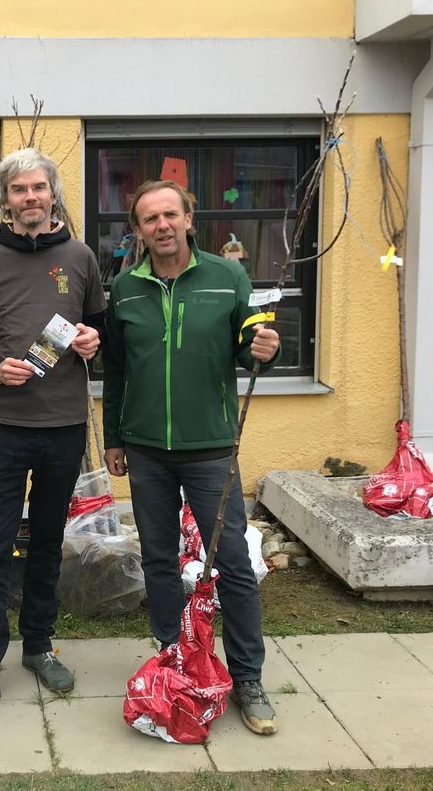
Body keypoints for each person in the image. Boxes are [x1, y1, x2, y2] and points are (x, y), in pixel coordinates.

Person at [102, 179, 281, 736]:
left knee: (229, 560)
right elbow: (117, 372)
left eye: (169, 215)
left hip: (210, 448)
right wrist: (114, 435)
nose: (160, 225)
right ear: (137, 230)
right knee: (158, 558)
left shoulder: (227, 277)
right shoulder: (125, 287)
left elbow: (250, 344)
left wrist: (266, 352)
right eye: (148, 218)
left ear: (188, 219)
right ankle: (171, 658)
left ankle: (248, 677)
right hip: (147, 449)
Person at [0, 148, 106, 725]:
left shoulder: (81, 257)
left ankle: (38, 647)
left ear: (53, 194)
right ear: (4, 201)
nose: (30, 198)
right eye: (18, 190)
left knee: (47, 545)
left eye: (39, 188)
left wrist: (92, 341)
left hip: (63, 428)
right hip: (4, 430)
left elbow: (99, 325)